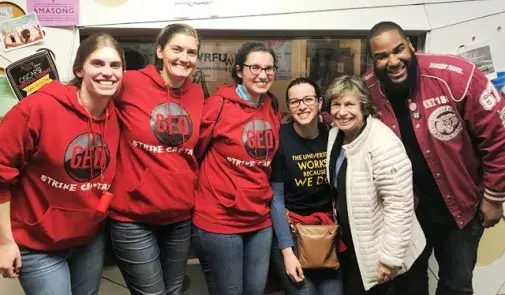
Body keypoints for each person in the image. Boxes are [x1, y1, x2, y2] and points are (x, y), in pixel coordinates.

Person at [364, 21, 505, 295]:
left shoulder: (456, 75)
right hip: (406, 215)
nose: (393, 61)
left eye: (398, 50)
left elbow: (499, 137)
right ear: (373, 61)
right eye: (382, 56)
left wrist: (494, 197)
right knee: (408, 287)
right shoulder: (368, 90)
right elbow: (343, 116)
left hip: (460, 209)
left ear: (411, 47)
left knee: (456, 285)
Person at [0, 33, 124, 295]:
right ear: (79, 69)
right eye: (98, 64)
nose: (107, 73)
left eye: (115, 65)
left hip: (88, 241)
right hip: (38, 244)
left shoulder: (117, 117)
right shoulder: (38, 108)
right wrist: (4, 242)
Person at [108, 23, 204, 295]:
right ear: (160, 50)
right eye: (177, 49)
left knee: (173, 290)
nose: (184, 58)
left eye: (191, 52)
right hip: (133, 218)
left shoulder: (196, 93)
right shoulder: (129, 82)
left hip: (179, 217)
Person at [191, 41, 280, 295]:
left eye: (269, 68)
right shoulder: (218, 105)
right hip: (220, 219)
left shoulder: (270, 105)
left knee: (255, 291)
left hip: (259, 218)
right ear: (240, 71)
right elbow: (195, 153)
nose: (262, 75)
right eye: (255, 67)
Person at [326, 75, 425, 294]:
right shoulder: (335, 135)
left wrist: (389, 259)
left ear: (364, 106)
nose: (342, 112)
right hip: (355, 249)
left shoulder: (382, 142)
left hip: (384, 256)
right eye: (336, 104)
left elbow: (399, 207)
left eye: (350, 104)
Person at [269, 77, 343, 295]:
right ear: (288, 107)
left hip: (327, 232)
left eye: (308, 99)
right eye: (295, 102)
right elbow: (276, 199)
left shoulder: (334, 135)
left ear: (320, 103)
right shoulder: (280, 139)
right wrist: (287, 253)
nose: (302, 106)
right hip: (291, 230)